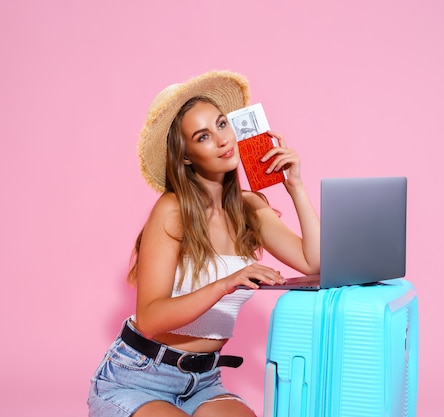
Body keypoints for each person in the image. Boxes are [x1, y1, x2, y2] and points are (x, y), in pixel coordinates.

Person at [87, 70, 321, 417]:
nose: (223, 140)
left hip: (205, 382)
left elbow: (312, 262)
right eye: (203, 136)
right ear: (185, 156)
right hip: (137, 377)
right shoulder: (173, 210)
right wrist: (225, 284)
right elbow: (150, 319)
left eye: (222, 125)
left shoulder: (250, 208)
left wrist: (296, 186)